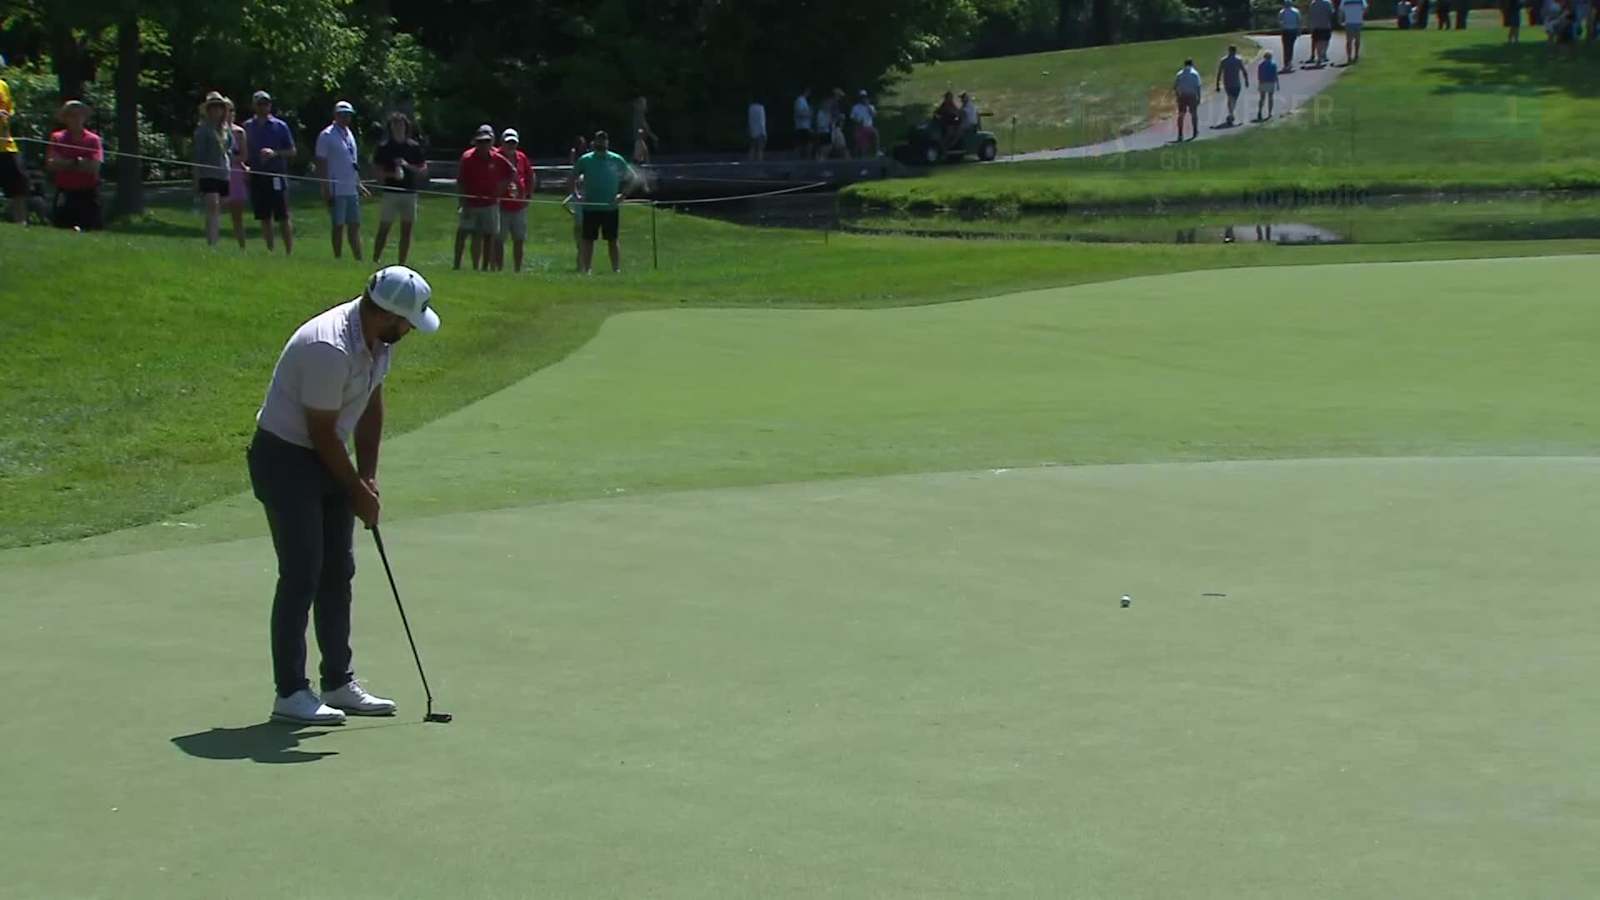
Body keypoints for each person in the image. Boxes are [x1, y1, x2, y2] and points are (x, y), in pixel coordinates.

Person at [248, 265, 441, 725]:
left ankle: (338, 681)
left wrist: (368, 477)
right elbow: (320, 432)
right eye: (409, 322)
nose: (411, 330)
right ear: (388, 315)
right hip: (286, 459)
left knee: (339, 570)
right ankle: (290, 692)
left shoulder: (378, 341)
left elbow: (371, 403)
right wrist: (354, 488)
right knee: (301, 573)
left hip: (324, 453)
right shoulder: (327, 347)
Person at [573, 129, 637, 274]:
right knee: (588, 240)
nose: (601, 143)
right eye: (599, 140)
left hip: (610, 207)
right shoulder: (585, 159)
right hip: (590, 207)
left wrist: (623, 195)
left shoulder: (616, 159)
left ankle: (616, 269)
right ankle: (587, 269)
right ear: (594, 142)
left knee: (612, 240)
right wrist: (576, 195)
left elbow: (631, 178)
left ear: (607, 142)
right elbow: (572, 178)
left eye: (604, 140)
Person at [315, 100, 370, 260]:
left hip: (351, 187)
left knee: (355, 225)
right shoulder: (327, 135)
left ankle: (358, 258)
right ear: (336, 115)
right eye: (343, 115)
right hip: (336, 188)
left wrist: (359, 183)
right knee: (338, 225)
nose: (346, 118)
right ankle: (337, 257)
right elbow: (321, 162)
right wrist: (325, 187)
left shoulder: (349, 133)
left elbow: (352, 162)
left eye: (348, 115)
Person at [371, 112, 427, 266]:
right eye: (395, 124)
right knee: (384, 226)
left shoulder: (413, 147)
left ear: (406, 126)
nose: (398, 127)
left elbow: (423, 170)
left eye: (401, 124)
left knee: (407, 229)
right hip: (390, 192)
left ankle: (402, 263)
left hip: (409, 192)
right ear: (390, 127)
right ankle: (376, 259)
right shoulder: (384, 147)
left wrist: (407, 166)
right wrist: (391, 174)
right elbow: (377, 172)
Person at [244, 90, 296, 254]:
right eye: (260, 104)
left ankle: (289, 251)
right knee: (264, 216)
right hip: (257, 175)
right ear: (254, 106)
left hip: (276, 175)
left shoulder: (280, 126)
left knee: (283, 215)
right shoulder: (247, 127)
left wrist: (275, 153)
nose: (264, 107)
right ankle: (270, 250)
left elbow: (292, 151)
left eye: (266, 103)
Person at [454, 124, 511, 271]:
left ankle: (484, 268)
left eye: (486, 141)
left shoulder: (498, 158)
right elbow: (460, 181)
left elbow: (511, 173)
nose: (483, 145)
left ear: (492, 142)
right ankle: (456, 265)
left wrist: (500, 190)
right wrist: (462, 202)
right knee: (463, 233)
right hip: (470, 203)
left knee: (488, 236)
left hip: (490, 204)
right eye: (480, 142)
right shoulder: (467, 157)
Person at [46, 100, 103, 231]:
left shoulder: (93, 139)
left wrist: (65, 163)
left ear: (84, 117)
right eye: (71, 115)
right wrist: (78, 162)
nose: (76, 118)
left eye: (79, 115)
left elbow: (94, 167)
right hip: (65, 190)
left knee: (91, 229)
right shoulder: (57, 137)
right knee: (62, 229)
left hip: (88, 192)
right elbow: (51, 164)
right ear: (65, 118)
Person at [193, 92, 233, 247]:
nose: (216, 110)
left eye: (219, 107)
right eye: (213, 107)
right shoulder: (202, 131)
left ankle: (213, 235)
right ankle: (212, 243)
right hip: (208, 173)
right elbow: (197, 156)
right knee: (213, 205)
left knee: (220, 207)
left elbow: (229, 149)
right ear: (208, 110)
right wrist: (196, 178)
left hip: (224, 173)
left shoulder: (226, 130)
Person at [494, 128, 534, 273]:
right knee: (499, 239)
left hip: (519, 206)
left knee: (519, 239)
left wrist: (529, 195)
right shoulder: (495, 156)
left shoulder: (521, 157)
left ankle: (518, 269)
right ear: (502, 142)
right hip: (501, 205)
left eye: (513, 143)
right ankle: (498, 268)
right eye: (508, 142)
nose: (511, 146)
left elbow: (530, 176)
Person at [0, 54, 28, 224]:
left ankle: (21, 223)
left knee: (19, 186)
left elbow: (10, 110)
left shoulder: (3, 86)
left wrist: (6, 116)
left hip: (7, 145)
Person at [223, 98, 249, 249]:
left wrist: (229, 158)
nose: (229, 114)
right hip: (220, 173)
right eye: (226, 110)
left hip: (236, 174)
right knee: (216, 209)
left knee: (237, 216)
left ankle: (242, 247)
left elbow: (244, 156)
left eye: (231, 110)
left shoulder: (239, 132)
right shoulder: (214, 131)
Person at [1215, 45, 1249, 126]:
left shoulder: (1223, 60)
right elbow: (1244, 71)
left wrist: (1217, 84)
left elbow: (1219, 73)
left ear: (1229, 50)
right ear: (1235, 51)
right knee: (1233, 99)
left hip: (1228, 83)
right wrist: (1246, 80)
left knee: (1231, 98)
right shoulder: (1238, 60)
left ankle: (1231, 114)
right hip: (1236, 83)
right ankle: (1231, 114)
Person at [1173, 59, 1203, 141]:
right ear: (1192, 64)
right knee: (1194, 114)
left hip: (1182, 96)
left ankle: (1180, 134)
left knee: (1181, 115)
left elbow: (1175, 87)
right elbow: (1198, 86)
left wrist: (1177, 96)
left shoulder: (1179, 74)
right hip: (1192, 95)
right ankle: (1195, 131)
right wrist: (1199, 97)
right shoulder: (1195, 73)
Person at [1306, 0, 1336, 65]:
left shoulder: (1313, 3)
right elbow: (1331, 13)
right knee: (1325, 41)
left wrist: (1310, 25)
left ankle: (1320, 57)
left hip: (1316, 26)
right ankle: (1323, 54)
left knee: (1317, 42)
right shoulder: (1328, 3)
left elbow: (1310, 15)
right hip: (1325, 25)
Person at [850, 90, 878, 157]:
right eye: (862, 97)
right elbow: (852, 117)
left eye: (865, 97)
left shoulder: (871, 106)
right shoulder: (855, 107)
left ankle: (876, 151)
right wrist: (858, 121)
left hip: (869, 127)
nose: (864, 99)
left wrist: (868, 106)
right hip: (860, 128)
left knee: (875, 134)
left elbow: (874, 115)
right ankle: (862, 159)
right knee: (863, 147)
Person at [1279, 1, 1303, 73]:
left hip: (1285, 31)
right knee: (1290, 46)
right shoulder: (1296, 11)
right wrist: (1299, 30)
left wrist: (1282, 27)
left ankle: (1286, 63)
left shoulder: (1282, 12)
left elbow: (1280, 21)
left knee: (1286, 47)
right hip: (1293, 30)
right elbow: (1299, 21)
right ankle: (1289, 62)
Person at [1256, 52, 1280, 121]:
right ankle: (1269, 113)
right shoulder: (1273, 64)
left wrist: (1260, 82)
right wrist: (1277, 84)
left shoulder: (1260, 65)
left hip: (1263, 82)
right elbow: (1275, 75)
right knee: (1270, 98)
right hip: (1270, 82)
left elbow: (1259, 75)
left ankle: (1260, 111)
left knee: (1262, 98)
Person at [793, 88, 813, 159]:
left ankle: (805, 159)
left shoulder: (804, 101)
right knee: (803, 145)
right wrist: (809, 113)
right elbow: (799, 113)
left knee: (807, 145)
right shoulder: (800, 100)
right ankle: (800, 160)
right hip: (801, 127)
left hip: (805, 127)